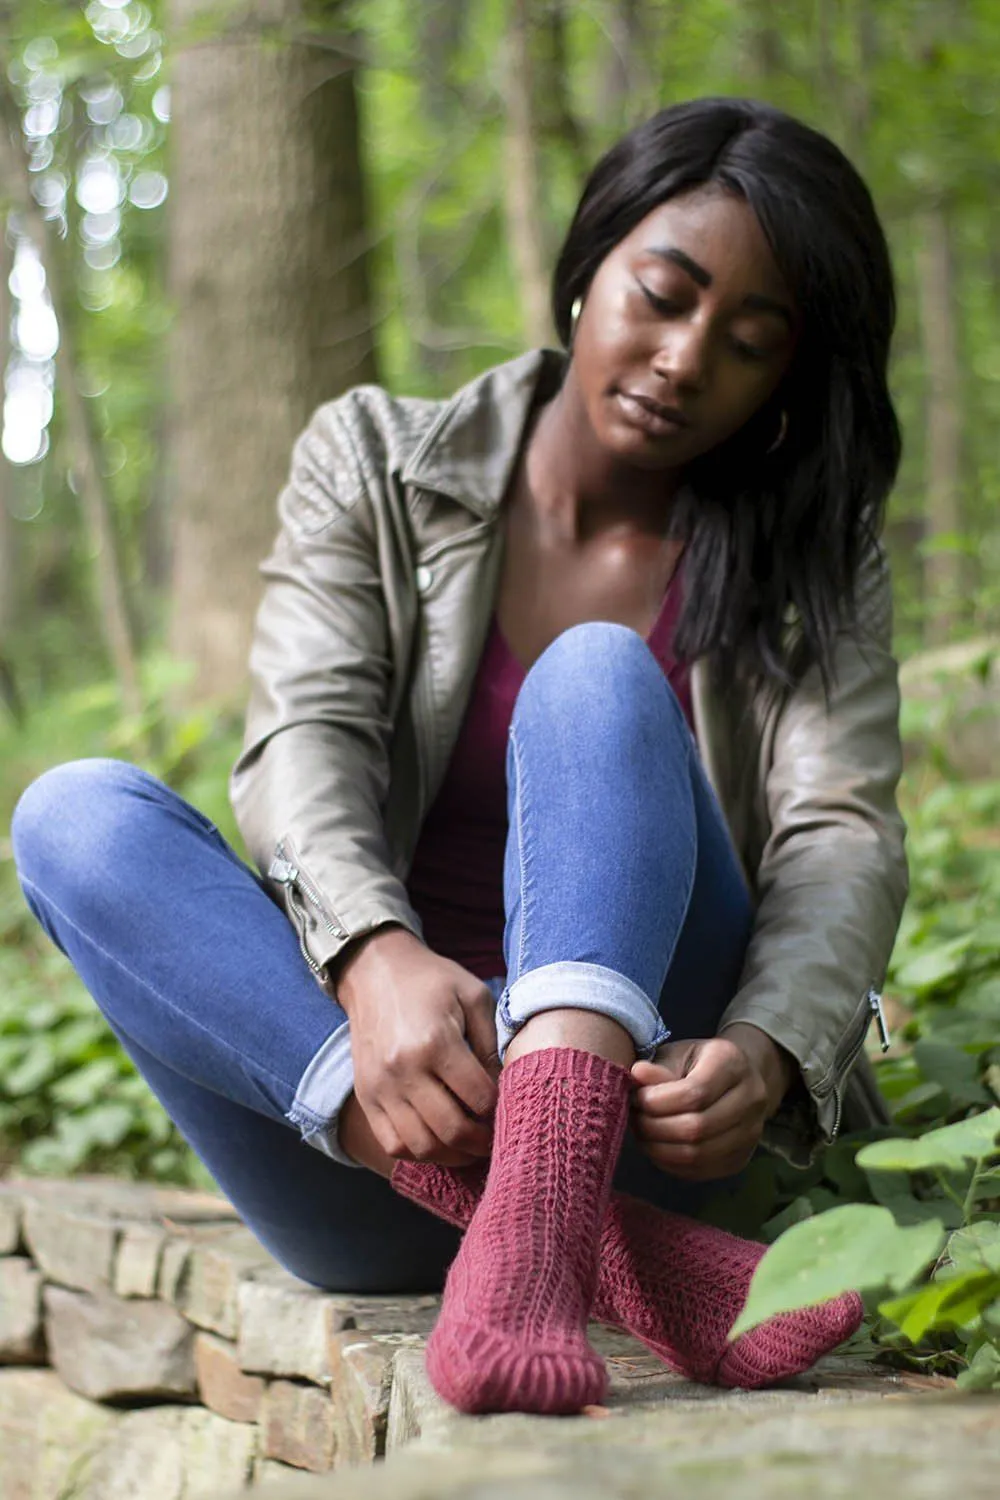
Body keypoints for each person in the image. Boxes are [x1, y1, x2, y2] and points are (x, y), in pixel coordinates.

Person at [11, 97, 907, 1417]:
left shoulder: (812, 551)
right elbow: (301, 738)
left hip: (655, 1120)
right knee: (73, 815)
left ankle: (555, 1209)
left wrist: (772, 1049)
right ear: (592, 258)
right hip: (370, 1138)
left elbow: (842, 828)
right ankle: (585, 1243)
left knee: (597, 676)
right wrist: (372, 959)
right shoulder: (375, 460)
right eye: (661, 295)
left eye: (750, 341)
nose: (682, 357)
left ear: (788, 375)